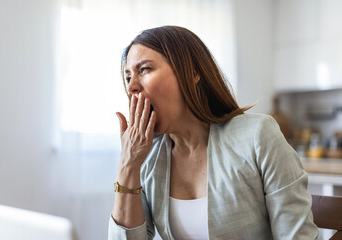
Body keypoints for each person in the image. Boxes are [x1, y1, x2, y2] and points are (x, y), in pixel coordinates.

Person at [108, 26, 319, 239]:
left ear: (192, 72)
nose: (131, 87)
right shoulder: (148, 157)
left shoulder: (258, 136)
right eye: (128, 77)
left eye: (144, 69)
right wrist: (129, 163)